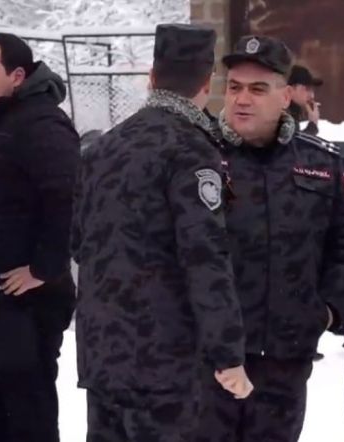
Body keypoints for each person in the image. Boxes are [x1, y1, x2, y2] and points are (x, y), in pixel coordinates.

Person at [71, 24, 251, 442]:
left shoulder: (103, 148)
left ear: (152, 77)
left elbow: (78, 244)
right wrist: (227, 352)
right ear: (208, 83)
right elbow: (204, 256)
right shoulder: (191, 150)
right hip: (163, 362)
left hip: (103, 353)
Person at [194, 35, 344, 442]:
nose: (242, 100)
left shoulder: (319, 163)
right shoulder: (195, 155)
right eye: (234, 87)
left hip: (284, 360)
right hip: (206, 359)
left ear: (286, 96)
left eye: (258, 89)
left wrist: (327, 311)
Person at [0, 32, 79, 442]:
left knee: (27, 415)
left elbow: (69, 197)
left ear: (16, 76)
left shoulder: (41, 124)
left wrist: (43, 268)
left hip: (29, 303)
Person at [287, 65, 322, 136]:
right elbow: (292, 142)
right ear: (291, 89)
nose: (312, 96)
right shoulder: (282, 116)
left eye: (312, 90)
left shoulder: (293, 113)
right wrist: (312, 125)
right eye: (307, 89)